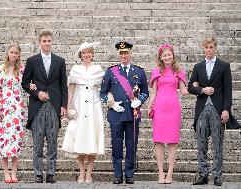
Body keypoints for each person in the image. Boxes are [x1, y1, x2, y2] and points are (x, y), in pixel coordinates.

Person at [21, 31, 68, 183]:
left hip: (54, 106)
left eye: (49, 41)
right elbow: (25, 83)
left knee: (53, 141)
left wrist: (64, 105)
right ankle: (38, 173)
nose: (47, 43)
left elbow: (63, 85)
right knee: (38, 141)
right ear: (39, 43)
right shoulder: (32, 61)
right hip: (38, 107)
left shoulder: (60, 61)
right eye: (44, 41)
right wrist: (36, 93)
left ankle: (51, 173)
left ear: (51, 42)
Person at [100, 40, 149, 184]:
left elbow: (145, 92)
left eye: (126, 53)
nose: (124, 55)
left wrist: (140, 100)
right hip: (116, 114)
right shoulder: (111, 71)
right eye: (121, 53)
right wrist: (112, 103)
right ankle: (117, 174)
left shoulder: (139, 71)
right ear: (118, 55)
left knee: (131, 144)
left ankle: (129, 174)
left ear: (131, 54)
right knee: (116, 145)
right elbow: (103, 93)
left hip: (132, 114)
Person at [188, 36, 232, 186]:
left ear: (215, 48)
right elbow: (190, 88)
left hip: (217, 109)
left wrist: (226, 109)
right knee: (201, 143)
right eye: (206, 47)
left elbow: (228, 91)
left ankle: (217, 175)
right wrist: (202, 89)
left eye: (211, 47)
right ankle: (202, 174)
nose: (208, 50)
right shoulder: (198, 67)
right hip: (201, 109)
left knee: (217, 143)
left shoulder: (224, 66)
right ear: (203, 48)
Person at [61, 42, 105, 183]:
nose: (87, 55)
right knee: (78, 138)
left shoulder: (98, 69)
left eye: (89, 52)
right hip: (79, 105)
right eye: (84, 53)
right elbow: (71, 89)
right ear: (80, 55)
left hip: (93, 106)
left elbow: (103, 89)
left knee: (93, 138)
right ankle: (81, 172)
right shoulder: (75, 69)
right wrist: (68, 107)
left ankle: (89, 173)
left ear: (92, 54)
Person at [147, 44, 188, 184]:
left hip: (173, 109)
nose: (167, 57)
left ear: (173, 55)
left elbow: (183, 90)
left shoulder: (179, 71)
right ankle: (160, 173)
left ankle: (170, 173)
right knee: (158, 141)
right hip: (159, 108)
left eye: (169, 54)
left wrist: (197, 87)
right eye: (164, 55)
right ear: (161, 57)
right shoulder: (156, 71)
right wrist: (149, 106)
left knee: (172, 142)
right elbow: (153, 92)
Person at [0, 43, 26, 183]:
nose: (14, 55)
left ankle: (14, 173)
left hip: (18, 108)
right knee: (4, 140)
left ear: (19, 55)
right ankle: (6, 173)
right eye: (12, 52)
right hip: (4, 108)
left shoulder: (22, 70)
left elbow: (28, 85)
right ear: (7, 53)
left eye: (16, 53)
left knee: (16, 140)